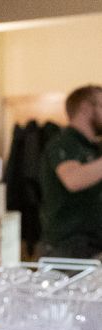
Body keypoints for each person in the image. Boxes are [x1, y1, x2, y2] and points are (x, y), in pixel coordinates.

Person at [39, 84, 102, 258]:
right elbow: (73, 179)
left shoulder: (93, 148)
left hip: (92, 245)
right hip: (67, 248)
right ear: (86, 108)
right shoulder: (64, 143)